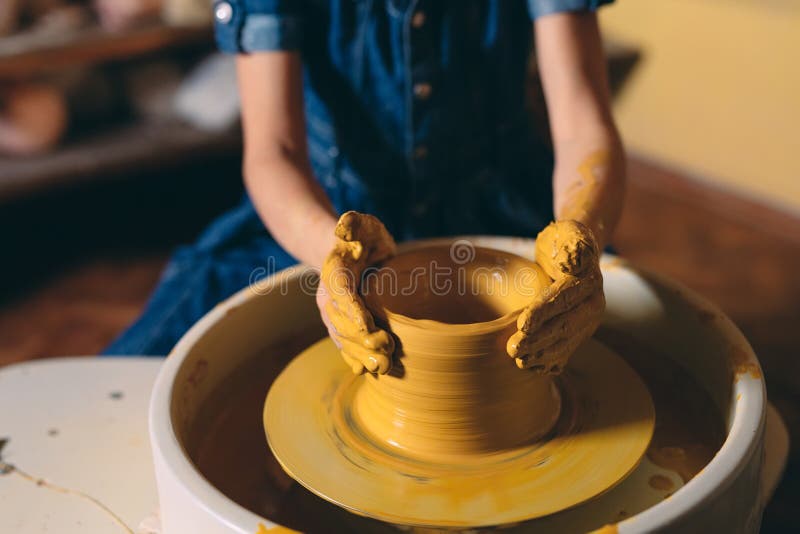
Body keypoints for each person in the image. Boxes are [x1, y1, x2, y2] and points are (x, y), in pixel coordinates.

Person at [105, 0, 626, 365]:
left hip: (502, 209)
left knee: (630, 351)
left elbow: (584, 125)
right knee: (128, 385)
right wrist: (330, 257)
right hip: (328, 218)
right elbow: (273, 152)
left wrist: (579, 235)